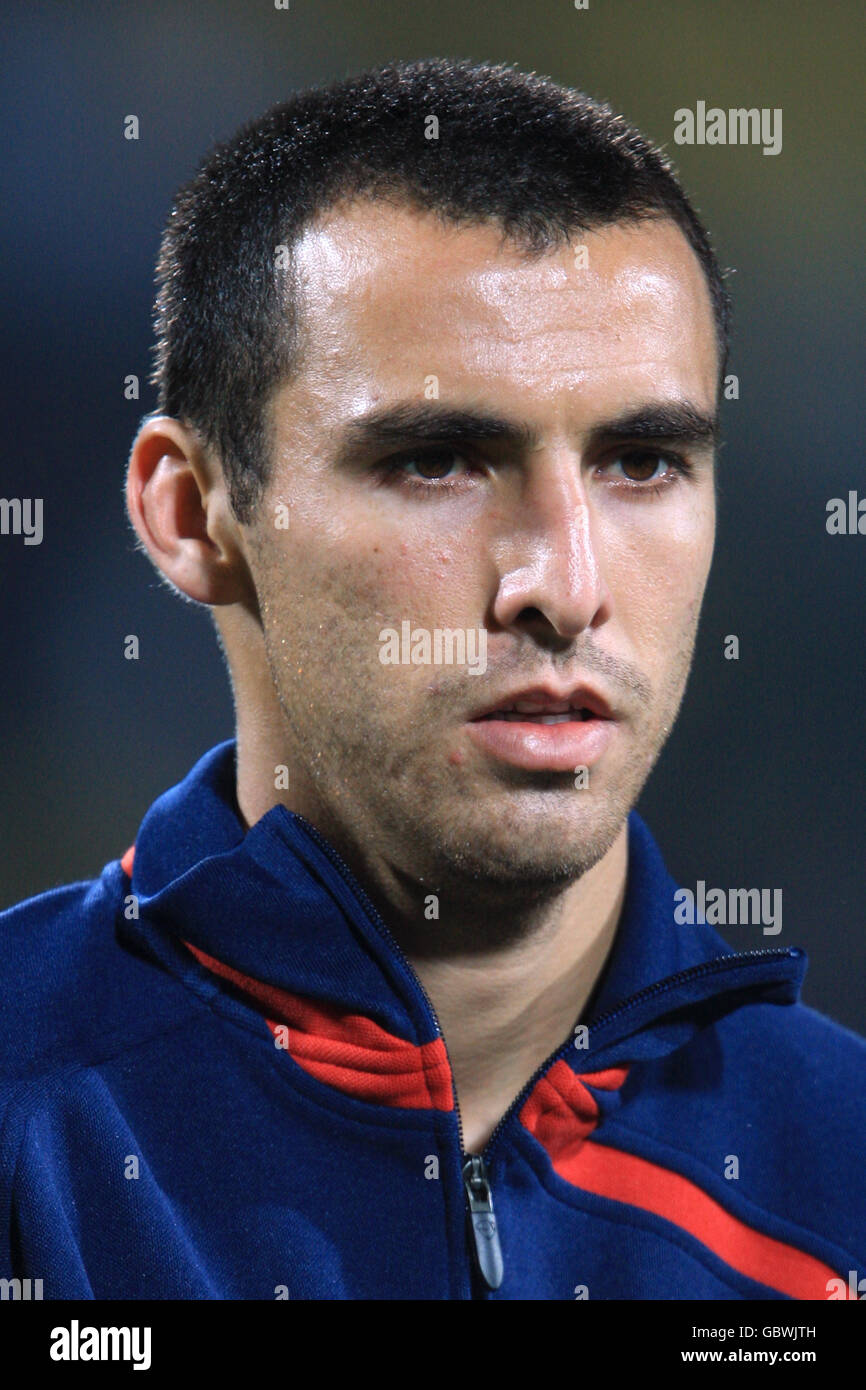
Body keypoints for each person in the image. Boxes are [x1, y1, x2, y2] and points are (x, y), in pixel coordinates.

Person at [1, 58, 863, 1302]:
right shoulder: (32, 1128)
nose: (562, 587)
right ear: (193, 514)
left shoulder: (837, 1190)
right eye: (438, 460)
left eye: (640, 460)